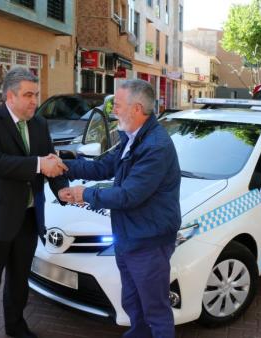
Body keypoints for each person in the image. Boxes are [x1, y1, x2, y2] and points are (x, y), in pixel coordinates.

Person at [59, 79, 181, 338]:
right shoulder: (132, 137)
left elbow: (129, 195)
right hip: (129, 237)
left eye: (118, 104)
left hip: (148, 242)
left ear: (137, 109)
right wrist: (63, 165)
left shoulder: (155, 146)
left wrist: (84, 194)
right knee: (133, 304)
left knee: (155, 311)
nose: (113, 110)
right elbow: (102, 166)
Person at [0, 68, 70, 338]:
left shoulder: (39, 124)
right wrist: (38, 164)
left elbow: (50, 160)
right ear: (10, 96)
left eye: (36, 94)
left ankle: (16, 325)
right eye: (28, 95)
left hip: (28, 216)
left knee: (19, 280)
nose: (35, 101)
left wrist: (63, 190)